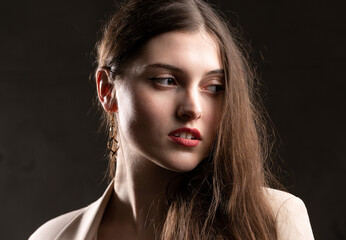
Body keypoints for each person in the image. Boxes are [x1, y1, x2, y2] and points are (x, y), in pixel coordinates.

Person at [29, 0, 314, 239]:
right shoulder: (53, 236)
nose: (193, 108)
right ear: (107, 89)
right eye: (166, 80)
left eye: (214, 87)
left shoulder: (273, 220)